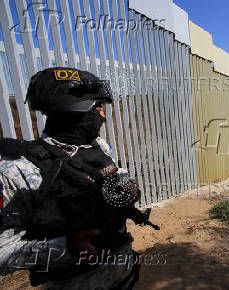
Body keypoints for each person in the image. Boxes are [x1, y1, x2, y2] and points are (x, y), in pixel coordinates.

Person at [0, 67, 146, 289]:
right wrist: (66, 247)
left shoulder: (99, 148)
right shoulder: (17, 170)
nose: (103, 116)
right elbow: (3, 254)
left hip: (124, 274)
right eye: (98, 107)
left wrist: (127, 192)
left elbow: (115, 188)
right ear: (73, 108)